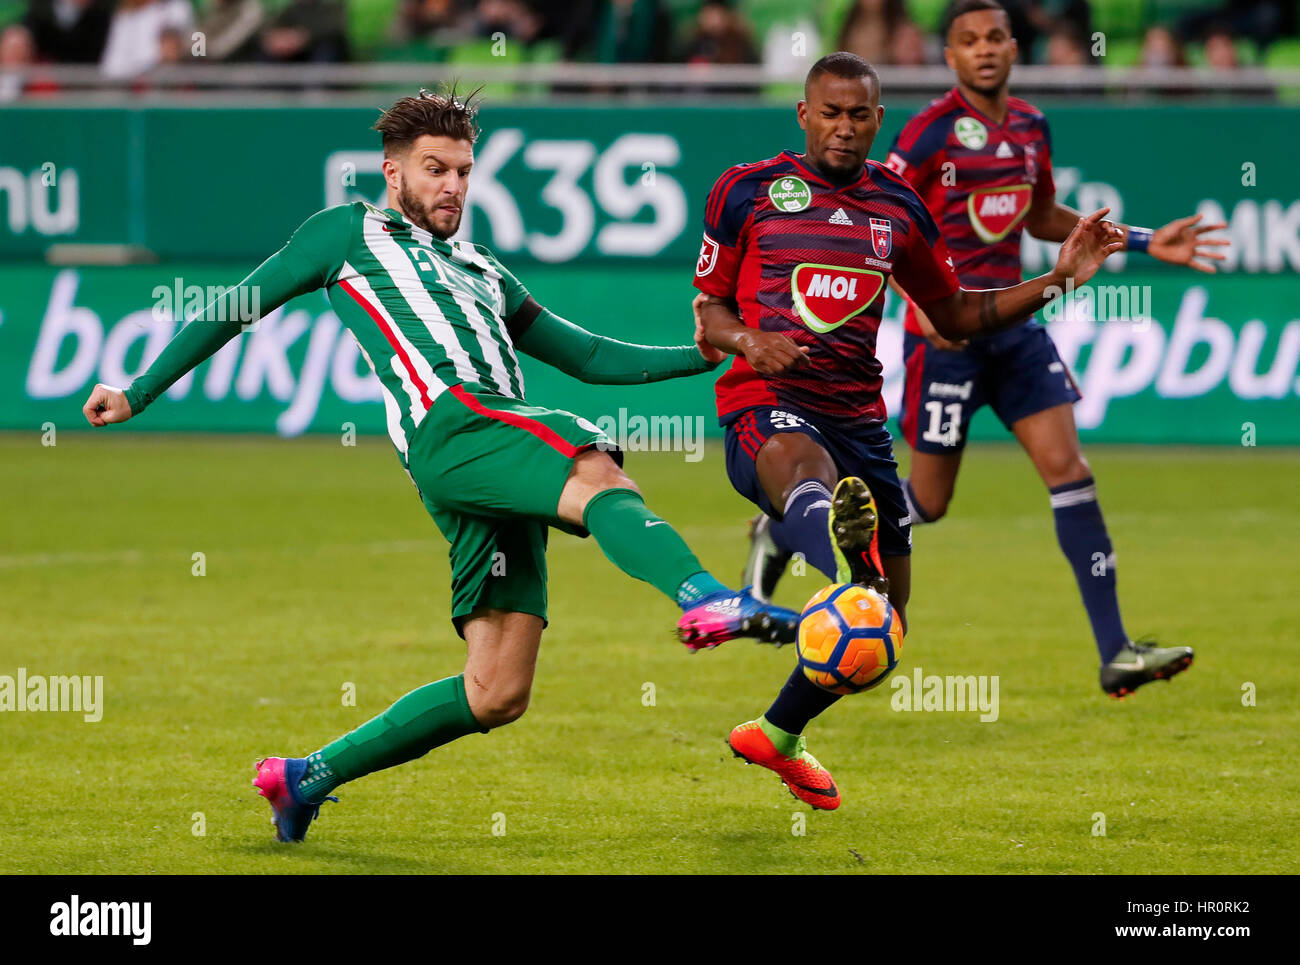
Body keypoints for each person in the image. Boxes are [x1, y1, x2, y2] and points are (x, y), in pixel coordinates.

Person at [81, 87, 801, 842]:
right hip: (455, 423)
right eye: (435, 169)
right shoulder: (346, 233)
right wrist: (137, 391)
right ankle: (707, 597)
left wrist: (715, 349)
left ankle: (303, 777)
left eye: (462, 170)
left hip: (491, 450)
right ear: (393, 172)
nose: (452, 185)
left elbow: (586, 354)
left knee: (496, 691)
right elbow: (237, 304)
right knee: (596, 472)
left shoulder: (483, 268)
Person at [692, 52, 1124, 808]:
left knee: (883, 631)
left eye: (859, 115)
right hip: (765, 403)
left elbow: (954, 314)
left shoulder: (897, 208)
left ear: (876, 120)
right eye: (829, 112)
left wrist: (1057, 278)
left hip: (859, 419)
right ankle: (837, 543)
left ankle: (778, 732)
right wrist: (746, 340)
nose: (844, 128)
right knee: (804, 473)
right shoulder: (747, 190)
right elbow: (708, 312)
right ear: (803, 114)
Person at [881, 0, 1226, 697]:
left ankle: (1117, 651)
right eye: (969, 41)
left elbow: (1043, 217)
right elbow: (881, 223)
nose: (984, 49)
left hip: (1014, 324)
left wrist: (1140, 238)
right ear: (949, 57)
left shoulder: (1033, 127)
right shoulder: (925, 133)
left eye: (996, 37)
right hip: (947, 335)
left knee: (1070, 470)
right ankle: (806, 524)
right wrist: (920, 306)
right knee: (929, 501)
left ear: (1014, 46)